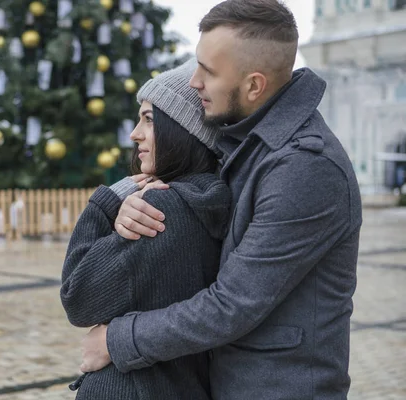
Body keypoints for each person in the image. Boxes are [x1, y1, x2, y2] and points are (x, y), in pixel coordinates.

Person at [79, 1, 363, 399]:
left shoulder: (304, 167)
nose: (194, 81)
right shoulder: (247, 141)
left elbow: (234, 304)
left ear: (254, 85)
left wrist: (117, 339)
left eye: (208, 72)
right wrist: (130, 202)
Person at [61, 59, 230, 399]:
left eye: (149, 120)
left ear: (184, 131)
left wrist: (102, 205)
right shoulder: (209, 203)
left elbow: (77, 298)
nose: (135, 133)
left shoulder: (162, 208)